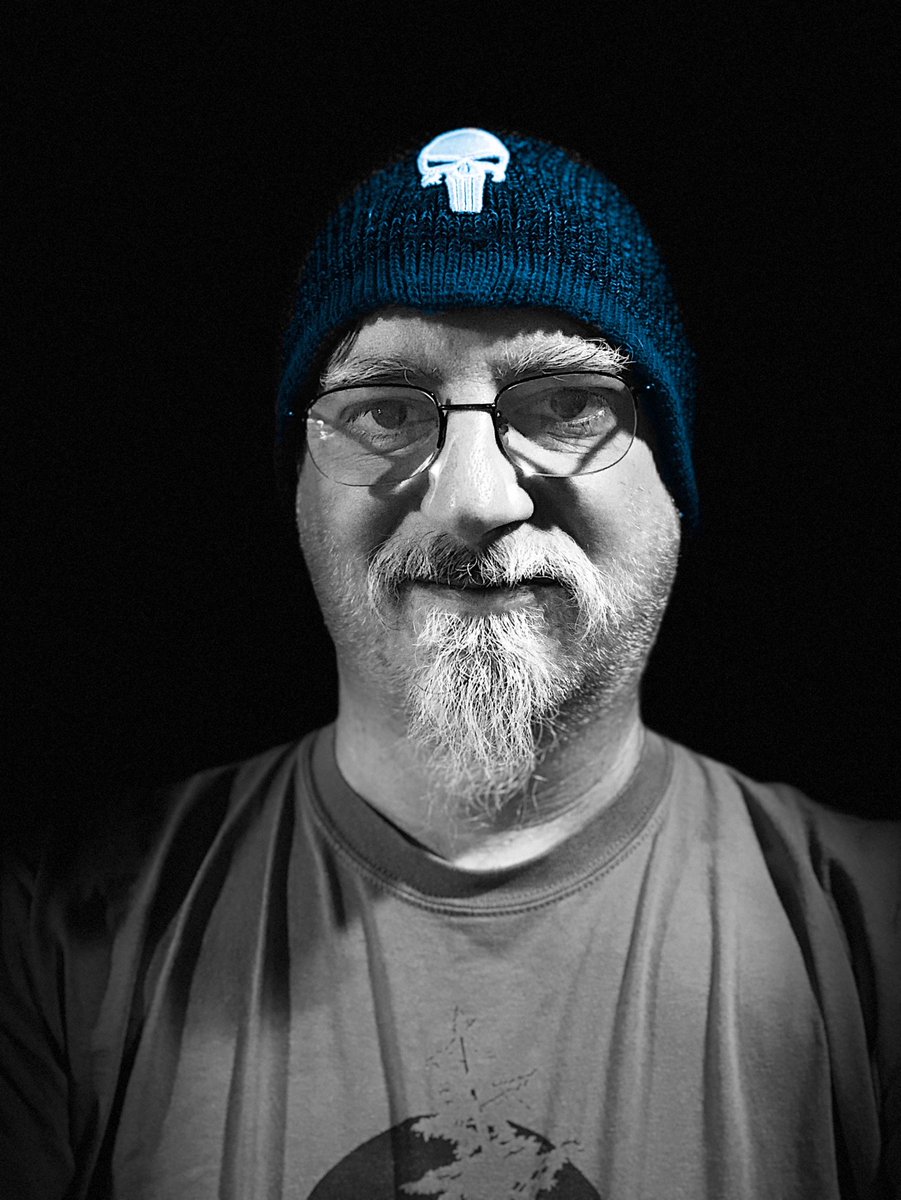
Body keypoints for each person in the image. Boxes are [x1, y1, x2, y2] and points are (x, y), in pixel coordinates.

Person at [1, 126, 898, 1200]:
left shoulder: (876, 930)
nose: (473, 498)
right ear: (300, 495)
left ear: (672, 486)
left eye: (567, 404)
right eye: (385, 410)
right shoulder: (57, 936)